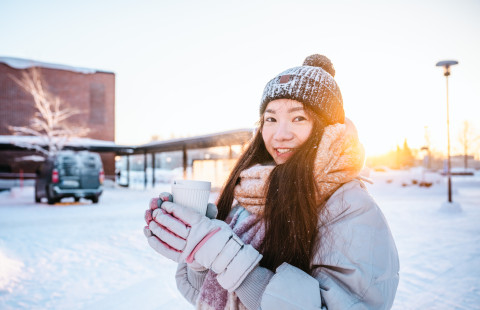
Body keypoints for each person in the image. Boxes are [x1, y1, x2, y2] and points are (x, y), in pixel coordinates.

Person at [144, 54, 399, 309]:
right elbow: (212, 296)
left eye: (299, 118)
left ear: (328, 129)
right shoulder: (253, 193)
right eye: (271, 119)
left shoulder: (350, 208)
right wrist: (200, 255)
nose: (280, 135)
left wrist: (227, 256)